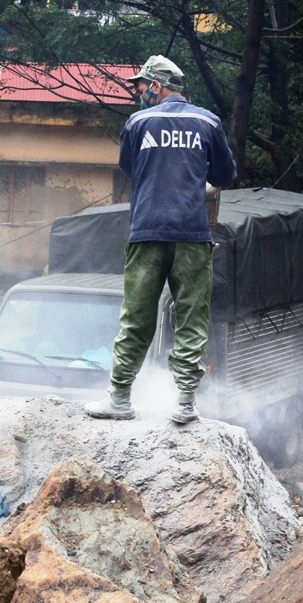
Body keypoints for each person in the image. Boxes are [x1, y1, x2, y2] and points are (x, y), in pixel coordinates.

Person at [85, 55, 237, 425]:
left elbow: (129, 168)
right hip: (192, 233)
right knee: (191, 317)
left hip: (147, 231)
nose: (138, 93)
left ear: (156, 85)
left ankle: (120, 398)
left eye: (141, 87)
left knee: (136, 316)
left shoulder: (138, 122)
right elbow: (225, 173)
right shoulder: (207, 121)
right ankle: (185, 403)